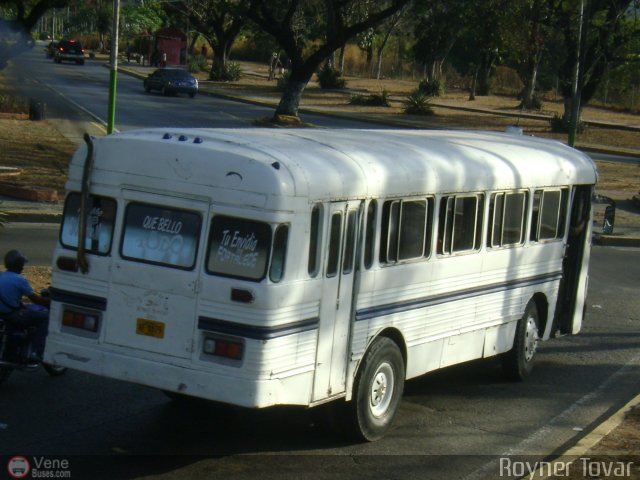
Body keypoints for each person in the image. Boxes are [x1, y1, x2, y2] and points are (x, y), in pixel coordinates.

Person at [0, 250, 50, 364]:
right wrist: (49, 301)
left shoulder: (1, 275)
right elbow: (36, 300)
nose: (23, 266)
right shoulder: (20, 280)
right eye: (22, 264)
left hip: (2, 313)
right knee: (45, 317)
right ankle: (36, 352)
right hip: (12, 315)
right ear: (18, 265)